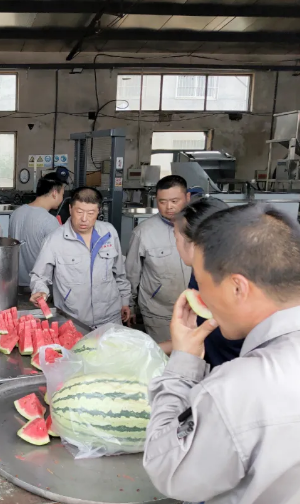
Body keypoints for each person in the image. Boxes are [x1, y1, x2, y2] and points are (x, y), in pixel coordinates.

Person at [144, 203, 300, 503]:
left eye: (202, 284)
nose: (199, 297)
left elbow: (167, 468)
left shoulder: (237, 389)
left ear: (237, 288)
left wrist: (183, 364)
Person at [30, 187, 131, 327]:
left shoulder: (109, 233)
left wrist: (125, 301)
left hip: (110, 318)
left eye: (91, 213)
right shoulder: (54, 240)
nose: (84, 219)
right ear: (70, 209)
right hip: (74, 320)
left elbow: (119, 273)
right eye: (79, 212)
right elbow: (39, 276)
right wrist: (40, 291)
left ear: (98, 211)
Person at [125, 175, 191, 343]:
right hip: (159, 312)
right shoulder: (143, 232)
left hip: (195, 310)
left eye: (175, 201)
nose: (169, 207)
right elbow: (131, 273)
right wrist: (130, 305)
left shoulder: (200, 227)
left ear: (187, 197)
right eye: (162, 202)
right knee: (163, 355)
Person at [173, 196, 237, 366]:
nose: (175, 244)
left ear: (194, 244)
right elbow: (197, 338)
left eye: (176, 237)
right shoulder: (199, 276)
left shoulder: (233, 287)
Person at [9, 173, 65, 288]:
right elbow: (59, 259)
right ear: (55, 193)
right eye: (62, 194)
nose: (62, 198)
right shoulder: (49, 221)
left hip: (16, 285)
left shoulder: (16, 213)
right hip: (38, 287)